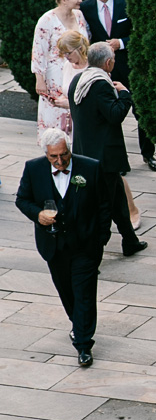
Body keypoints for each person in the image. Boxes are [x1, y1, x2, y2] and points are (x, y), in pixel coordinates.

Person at [15, 129, 109, 368]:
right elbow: (22, 199)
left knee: (84, 293)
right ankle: (78, 323)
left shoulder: (91, 168)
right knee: (67, 291)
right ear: (46, 154)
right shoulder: (33, 169)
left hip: (85, 245)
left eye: (64, 155)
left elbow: (104, 204)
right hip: (54, 246)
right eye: (53, 157)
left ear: (69, 149)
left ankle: (84, 345)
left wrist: (101, 238)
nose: (60, 161)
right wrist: (38, 215)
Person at [67, 43, 147, 257]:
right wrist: (125, 94)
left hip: (85, 152)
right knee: (103, 207)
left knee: (118, 199)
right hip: (103, 157)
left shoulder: (79, 80)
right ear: (108, 62)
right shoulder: (100, 84)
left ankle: (130, 241)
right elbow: (115, 115)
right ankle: (91, 253)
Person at [81, 0, 156, 171]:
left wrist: (121, 43)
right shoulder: (86, 8)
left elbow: (141, 33)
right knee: (108, 114)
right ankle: (118, 161)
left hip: (127, 66)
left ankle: (148, 154)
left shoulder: (125, 5)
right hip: (100, 69)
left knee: (141, 109)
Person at [32, 0, 90, 135]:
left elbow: (86, 42)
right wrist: (39, 79)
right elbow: (38, 51)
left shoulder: (79, 15)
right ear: (64, 0)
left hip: (78, 73)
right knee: (55, 117)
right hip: (56, 77)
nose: (80, 0)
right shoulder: (47, 20)